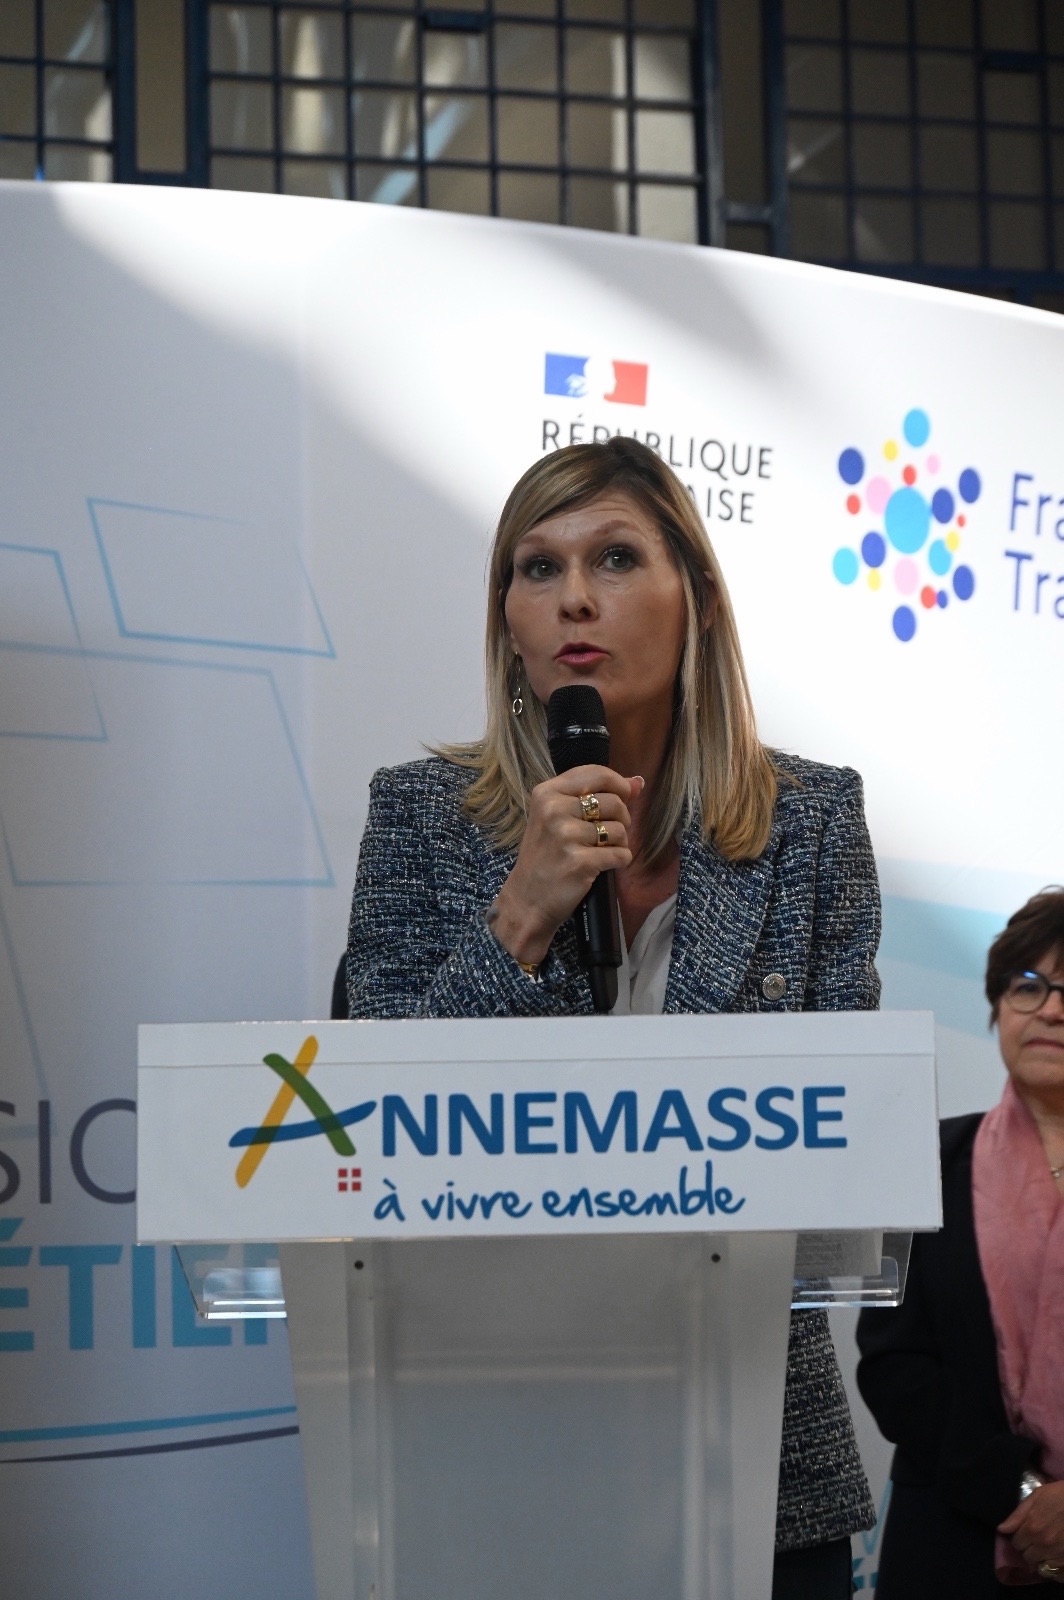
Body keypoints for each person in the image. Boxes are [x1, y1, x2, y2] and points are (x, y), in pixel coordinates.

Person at [346, 436, 879, 1596]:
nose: (572, 598)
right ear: (507, 623)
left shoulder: (811, 824)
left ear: (698, 598)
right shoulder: (419, 817)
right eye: (536, 567)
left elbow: (843, 1147)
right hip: (487, 1442)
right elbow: (367, 1128)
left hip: (750, 1454)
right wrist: (521, 913)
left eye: (615, 557)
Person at [857, 887, 1064, 1596]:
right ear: (998, 1006)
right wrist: (1025, 1492)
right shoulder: (917, 1160)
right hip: (954, 1542)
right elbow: (891, 1363)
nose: (1051, 1010)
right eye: (1028, 986)